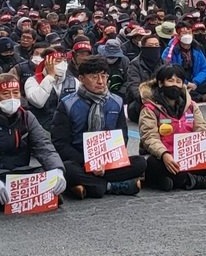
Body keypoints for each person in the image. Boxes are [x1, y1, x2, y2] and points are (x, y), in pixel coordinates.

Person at [0, 73, 65, 212]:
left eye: (15, 92)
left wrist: (57, 170)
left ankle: (1, 201)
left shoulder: (27, 117)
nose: (12, 97)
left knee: (48, 175)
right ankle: (29, 197)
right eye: (5, 94)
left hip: (21, 174)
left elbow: (44, 146)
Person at [50, 56, 147, 198]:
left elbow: (122, 136)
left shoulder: (117, 101)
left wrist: (108, 161)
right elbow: (60, 143)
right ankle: (112, 186)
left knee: (140, 163)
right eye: (94, 77)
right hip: (79, 160)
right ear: (82, 79)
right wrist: (88, 163)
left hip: (107, 160)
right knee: (68, 169)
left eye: (103, 76)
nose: (100, 81)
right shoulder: (67, 104)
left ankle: (90, 186)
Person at [138, 65, 206, 190]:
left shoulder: (191, 106)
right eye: (170, 81)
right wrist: (164, 154)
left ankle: (180, 180)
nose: (175, 85)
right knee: (152, 164)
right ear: (161, 83)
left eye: (178, 82)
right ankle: (196, 180)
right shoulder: (149, 109)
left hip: (187, 156)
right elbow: (149, 138)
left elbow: (201, 130)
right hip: (162, 156)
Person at [162, 20, 206, 101]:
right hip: (179, 81)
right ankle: (198, 97)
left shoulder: (197, 49)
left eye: (189, 33)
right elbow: (168, 70)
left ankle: (191, 95)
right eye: (184, 33)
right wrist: (186, 83)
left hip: (195, 81)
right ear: (178, 35)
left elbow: (204, 69)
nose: (187, 36)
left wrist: (195, 82)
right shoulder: (170, 51)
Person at [121, 34, 161, 120]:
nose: (154, 48)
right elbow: (134, 87)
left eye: (156, 45)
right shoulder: (134, 65)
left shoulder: (164, 64)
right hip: (140, 102)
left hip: (161, 101)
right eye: (150, 46)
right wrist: (149, 100)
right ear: (143, 47)